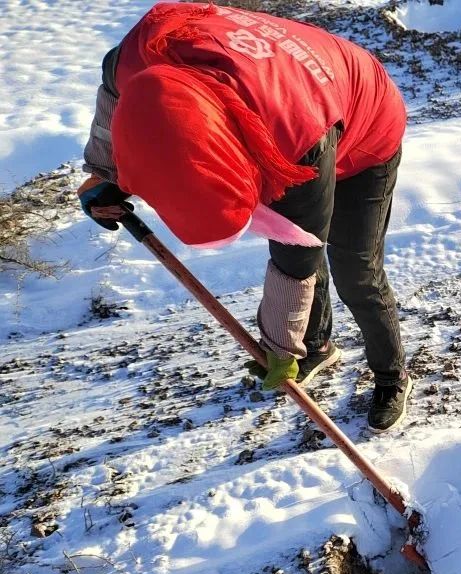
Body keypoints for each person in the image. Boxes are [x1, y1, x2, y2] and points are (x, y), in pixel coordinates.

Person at [78, 2, 413, 433]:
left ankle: (392, 375)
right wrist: (104, 174)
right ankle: (316, 346)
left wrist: (277, 344)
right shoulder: (136, 57)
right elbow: (115, 102)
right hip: (287, 96)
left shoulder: (291, 137)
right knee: (304, 245)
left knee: (354, 269)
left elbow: (299, 251)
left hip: (363, 126)